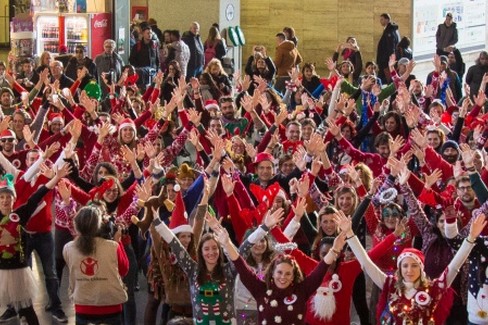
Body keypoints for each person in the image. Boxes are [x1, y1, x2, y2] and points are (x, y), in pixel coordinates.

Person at [335, 169, 486, 324]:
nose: (409, 270)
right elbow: (366, 262)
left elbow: (455, 266)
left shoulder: (434, 288)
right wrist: (349, 235)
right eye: (405, 266)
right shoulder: (390, 284)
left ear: (421, 268)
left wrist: (470, 239)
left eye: (414, 265)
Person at [217, 221, 345, 325]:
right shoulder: (260, 289)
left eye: (288, 273)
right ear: (272, 273)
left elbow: (320, 270)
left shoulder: (302, 290)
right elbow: (241, 266)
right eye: (279, 272)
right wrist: (227, 243)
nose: (283, 277)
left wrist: (334, 250)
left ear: (294, 275)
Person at [0, 167, 68, 324]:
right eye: (1, 197)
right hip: (1, 271)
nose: (5, 200)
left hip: (19, 272)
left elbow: (37, 196)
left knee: (27, 310)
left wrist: (56, 178)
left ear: (13, 200)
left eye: (8, 197)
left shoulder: (18, 215)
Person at [63, 206, 129, 325]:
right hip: (111, 305)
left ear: (77, 226)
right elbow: (124, 270)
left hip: (83, 305)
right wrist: (118, 240)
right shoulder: (112, 246)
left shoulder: (68, 248)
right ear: (99, 226)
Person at [376, 13, 400, 84]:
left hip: (385, 60)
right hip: (385, 59)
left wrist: (390, 59)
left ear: (387, 20)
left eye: (382, 19)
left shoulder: (389, 31)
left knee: (384, 78)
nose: (380, 21)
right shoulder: (390, 29)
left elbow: (391, 46)